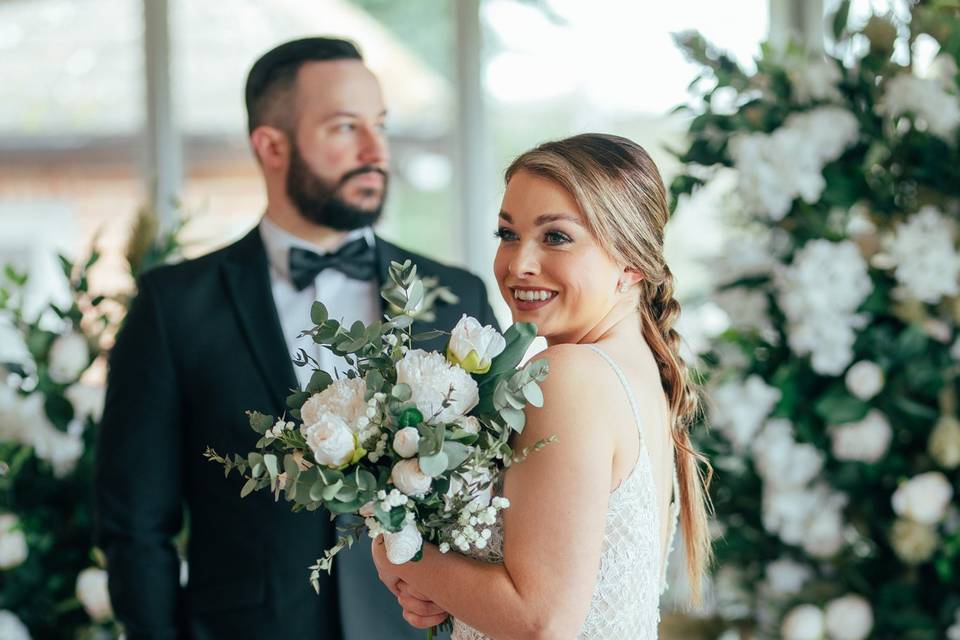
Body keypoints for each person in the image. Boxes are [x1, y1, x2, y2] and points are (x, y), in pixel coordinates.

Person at [94, 37, 497, 640]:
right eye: (344, 128)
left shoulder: (456, 296)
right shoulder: (171, 307)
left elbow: (497, 492)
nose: (375, 150)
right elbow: (134, 527)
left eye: (379, 125)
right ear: (271, 145)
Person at [371, 133, 713, 639]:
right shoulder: (633, 369)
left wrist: (399, 555)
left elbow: (540, 622)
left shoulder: (571, 376)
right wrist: (443, 587)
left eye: (555, 237)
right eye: (508, 234)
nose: (518, 263)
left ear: (631, 262)